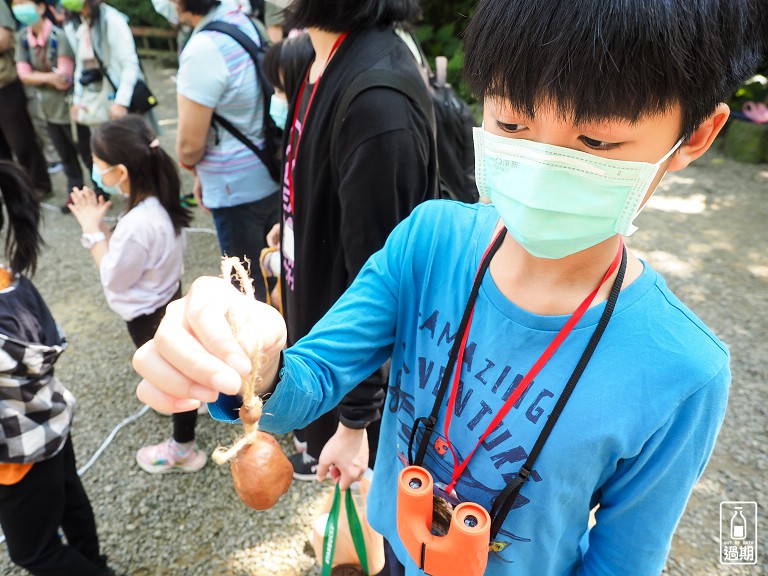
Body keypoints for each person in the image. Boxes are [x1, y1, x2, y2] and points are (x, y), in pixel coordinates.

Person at [133, 0, 766, 573]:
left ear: (698, 136)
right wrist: (250, 361)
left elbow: (623, 561)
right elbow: (308, 383)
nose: (542, 168)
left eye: (594, 141)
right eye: (512, 125)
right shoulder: (428, 242)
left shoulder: (681, 369)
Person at [267, 0, 439, 482]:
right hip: (323, 341)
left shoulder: (377, 102)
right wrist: (297, 218)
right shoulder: (316, 57)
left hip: (363, 388)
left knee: (382, 519)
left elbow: (383, 279)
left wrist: (355, 420)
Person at [0, 160, 117, 575]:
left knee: (33, 551)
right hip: (50, 421)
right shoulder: (12, 281)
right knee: (70, 503)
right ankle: (95, 563)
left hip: (15, 455)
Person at [68, 116, 203, 474]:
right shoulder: (159, 198)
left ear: (121, 172)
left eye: (98, 168)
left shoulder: (138, 224)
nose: (96, 175)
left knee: (174, 382)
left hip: (147, 314)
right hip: (167, 295)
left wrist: (91, 230)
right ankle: (195, 400)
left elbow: (114, 276)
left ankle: (183, 449)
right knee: (180, 365)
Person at [174, 0, 280, 302]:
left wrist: (194, 167)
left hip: (235, 189)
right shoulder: (243, 20)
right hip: (269, 167)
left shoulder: (203, 49)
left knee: (247, 287)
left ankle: (264, 348)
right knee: (276, 270)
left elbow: (189, 147)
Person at [61, 0, 151, 209]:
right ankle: (132, 200)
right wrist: (77, 100)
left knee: (133, 152)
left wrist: (121, 102)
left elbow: (130, 64)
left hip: (119, 98)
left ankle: (148, 200)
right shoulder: (76, 23)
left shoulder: (112, 20)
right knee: (108, 152)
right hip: (97, 100)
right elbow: (80, 66)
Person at [14, 0, 91, 196]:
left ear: (40, 7)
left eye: (24, 2)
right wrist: (49, 77)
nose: (19, 7)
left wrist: (37, 77)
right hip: (46, 109)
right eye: (16, 3)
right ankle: (76, 191)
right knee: (64, 154)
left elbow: (64, 79)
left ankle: (99, 188)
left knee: (84, 150)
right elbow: (23, 75)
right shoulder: (23, 38)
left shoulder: (59, 36)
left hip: (67, 106)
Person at [0, 0, 52, 200]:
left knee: (21, 141)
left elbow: (4, 39)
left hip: (6, 84)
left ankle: (39, 185)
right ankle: (11, 191)